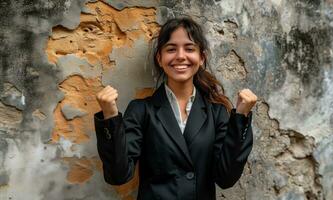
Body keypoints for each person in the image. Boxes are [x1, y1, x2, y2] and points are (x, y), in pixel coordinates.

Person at [94, 17, 257, 200]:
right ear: (160, 58)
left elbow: (226, 178)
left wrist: (241, 117)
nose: (180, 56)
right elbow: (119, 175)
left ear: (201, 58)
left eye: (189, 48)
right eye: (171, 49)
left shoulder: (216, 113)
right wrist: (109, 117)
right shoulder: (141, 110)